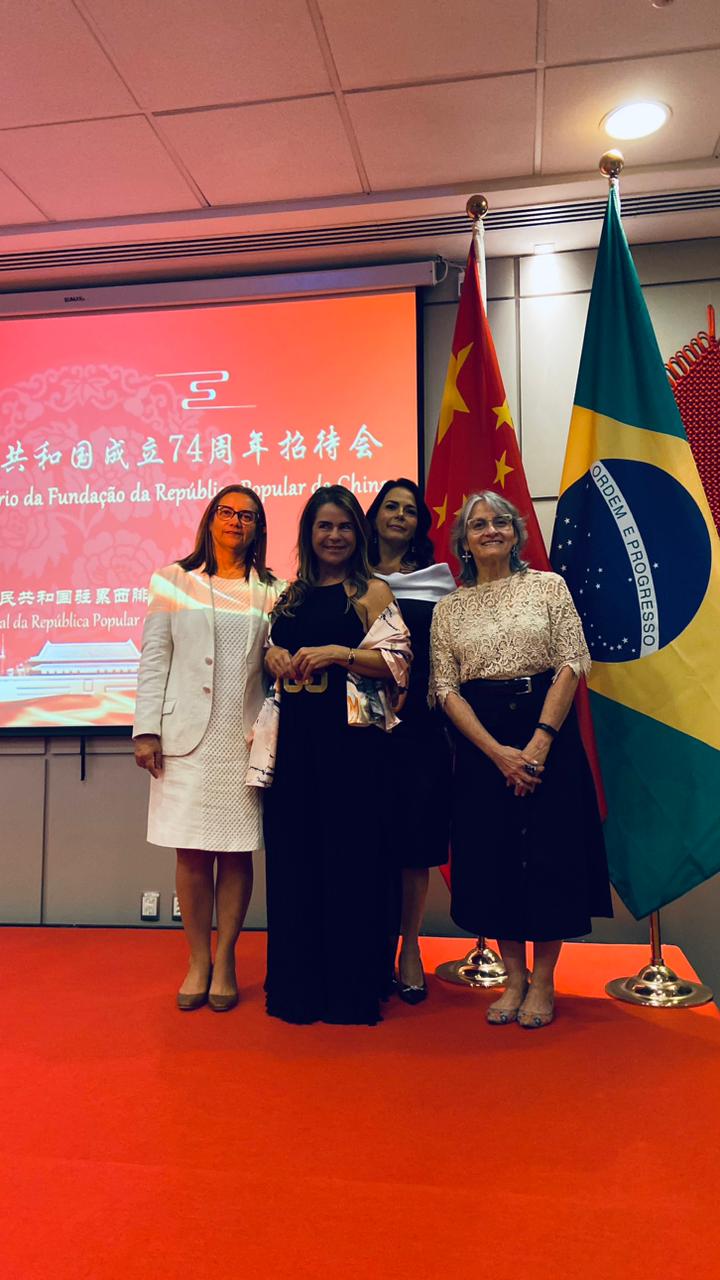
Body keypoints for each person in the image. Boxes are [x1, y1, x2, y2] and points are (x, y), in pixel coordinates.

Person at [429, 491, 612, 1029]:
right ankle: (514, 979)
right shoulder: (448, 608)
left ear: (516, 533)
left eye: (500, 522)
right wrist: (496, 752)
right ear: (463, 542)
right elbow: (444, 688)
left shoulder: (548, 587)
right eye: (478, 524)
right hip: (483, 743)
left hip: (547, 732)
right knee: (495, 857)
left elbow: (572, 662)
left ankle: (545, 980)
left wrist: (539, 743)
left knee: (551, 855)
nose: (490, 530)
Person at [261, 485, 411, 1025]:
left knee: (351, 864)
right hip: (294, 747)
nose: (334, 536)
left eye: (345, 527)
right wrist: (273, 654)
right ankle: (297, 991)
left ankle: (350, 991)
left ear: (359, 534)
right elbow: (268, 651)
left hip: (354, 748)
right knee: (294, 862)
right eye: (324, 526)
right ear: (309, 533)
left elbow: (399, 663)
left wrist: (340, 653)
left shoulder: (371, 592)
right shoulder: (290, 596)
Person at [133, 485, 284, 1012]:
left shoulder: (274, 589)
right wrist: (146, 730)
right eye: (227, 512)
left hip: (243, 739)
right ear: (210, 519)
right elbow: (155, 657)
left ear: (258, 527)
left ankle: (226, 959)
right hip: (184, 738)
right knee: (192, 853)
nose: (236, 521)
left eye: (248, 515)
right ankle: (197, 959)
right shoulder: (173, 580)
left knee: (237, 850)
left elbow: (276, 656)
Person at [366, 478, 455, 1003]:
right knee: (366, 841)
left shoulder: (437, 582)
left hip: (418, 728)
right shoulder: (349, 576)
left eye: (410, 510)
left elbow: (446, 656)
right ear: (375, 515)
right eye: (390, 507)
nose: (399, 515)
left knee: (413, 844)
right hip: (357, 729)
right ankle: (368, 949)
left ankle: (411, 948)